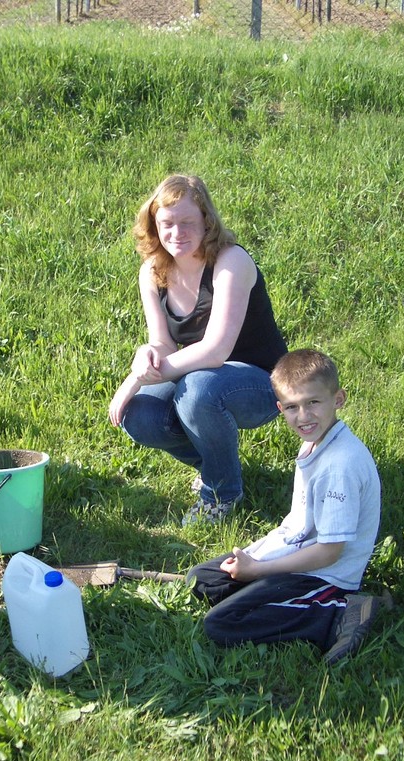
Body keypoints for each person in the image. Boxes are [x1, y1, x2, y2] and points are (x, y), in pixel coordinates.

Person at [109, 174, 288, 526]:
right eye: (167, 223)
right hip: (201, 377)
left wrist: (135, 379)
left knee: (197, 391)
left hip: (263, 384)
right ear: (154, 225)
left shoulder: (231, 261)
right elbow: (163, 343)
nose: (176, 233)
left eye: (187, 222)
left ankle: (222, 493)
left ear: (207, 221)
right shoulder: (152, 271)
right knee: (139, 413)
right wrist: (146, 354)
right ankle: (217, 466)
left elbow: (216, 350)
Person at [186, 349, 384, 664]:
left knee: (221, 624)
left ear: (338, 399)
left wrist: (258, 570)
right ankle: (271, 596)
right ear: (280, 408)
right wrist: (256, 561)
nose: (303, 416)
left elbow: (330, 552)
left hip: (325, 576)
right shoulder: (315, 442)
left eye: (313, 402)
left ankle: (338, 612)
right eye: (292, 407)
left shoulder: (340, 465)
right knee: (201, 579)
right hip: (295, 554)